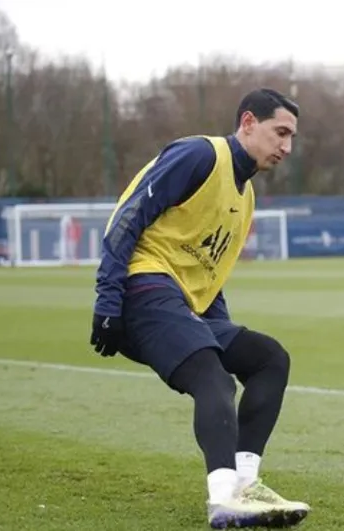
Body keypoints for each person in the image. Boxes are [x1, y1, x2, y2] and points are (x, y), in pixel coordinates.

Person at [90, 88, 310, 529]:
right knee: (213, 377)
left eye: (291, 137)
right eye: (280, 132)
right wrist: (108, 299)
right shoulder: (200, 155)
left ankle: (245, 487)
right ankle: (224, 499)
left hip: (182, 304)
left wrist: (217, 332)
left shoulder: (246, 198)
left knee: (269, 359)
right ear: (248, 122)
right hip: (143, 288)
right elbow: (128, 216)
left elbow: (210, 275)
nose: (287, 147)